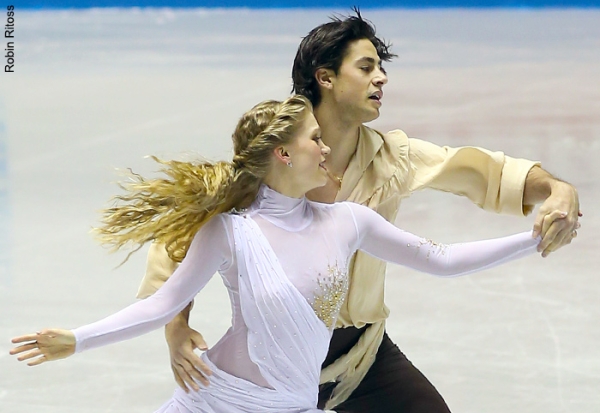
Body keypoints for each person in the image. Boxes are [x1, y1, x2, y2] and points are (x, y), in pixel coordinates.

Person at [144, 10, 582, 413]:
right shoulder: (271, 161)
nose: (382, 79)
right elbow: (178, 244)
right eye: (367, 67)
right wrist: (176, 329)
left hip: (362, 361)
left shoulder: (394, 158)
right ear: (326, 78)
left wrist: (556, 189)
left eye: (381, 68)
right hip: (270, 369)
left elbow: (483, 171)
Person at [10, 95, 543, 413]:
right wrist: (75, 340)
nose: (327, 146)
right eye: (315, 138)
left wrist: (534, 239)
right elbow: (159, 305)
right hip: (218, 400)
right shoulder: (229, 232)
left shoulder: (348, 223)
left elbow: (442, 258)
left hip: (289, 405)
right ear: (284, 153)